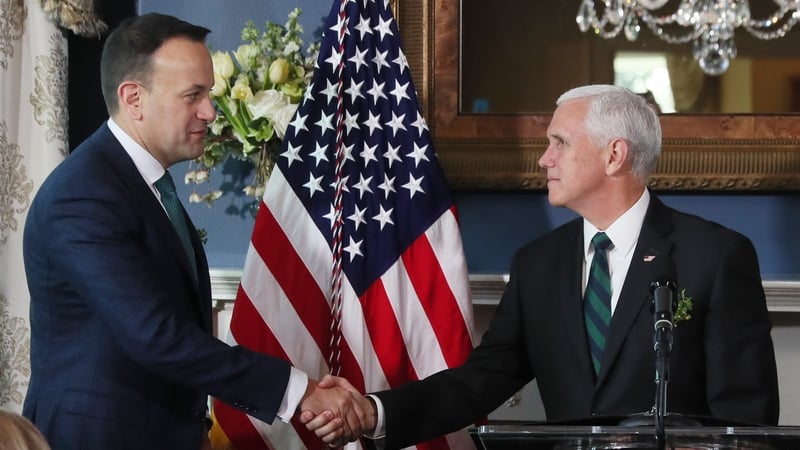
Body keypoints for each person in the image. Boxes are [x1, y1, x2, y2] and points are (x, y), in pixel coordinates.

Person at [302, 84, 780, 448]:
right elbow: (480, 381)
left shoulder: (715, 256)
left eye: (560, 143)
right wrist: (372, 412)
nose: (544, 158)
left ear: (614, 154)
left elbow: (748, 420)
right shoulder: (538, 264)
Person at [22, 13, 366, 450]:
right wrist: (301, 393)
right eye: (194, 95)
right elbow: (155, 336)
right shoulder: (84, 196)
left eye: (210, 93)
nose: (210, 111)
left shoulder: (139, 183)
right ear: (134, 99)